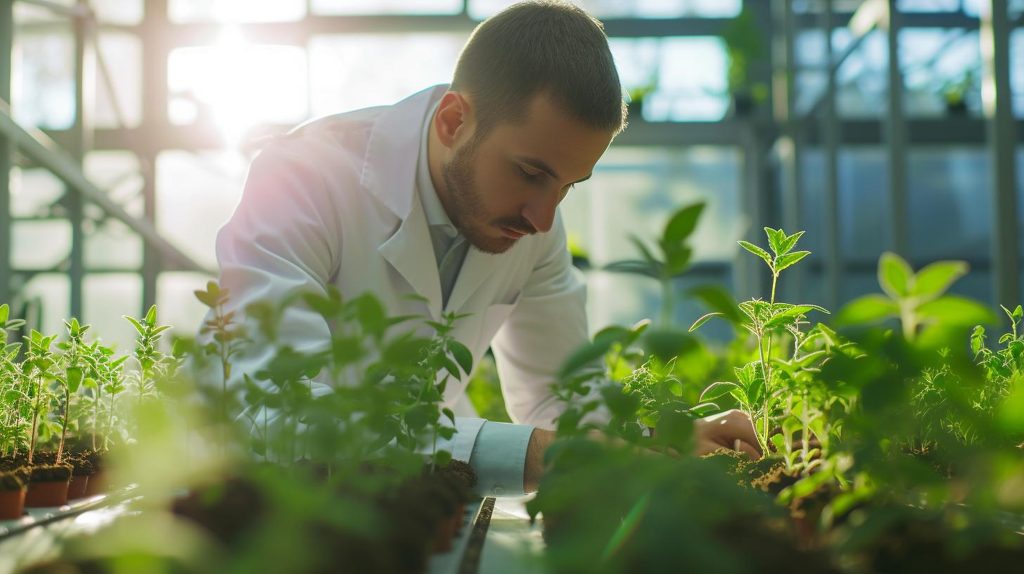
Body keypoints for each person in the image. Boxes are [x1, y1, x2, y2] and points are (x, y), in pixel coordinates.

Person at [213, 0, 760, 496]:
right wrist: (543, 456)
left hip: (418, 507)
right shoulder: (304, 178)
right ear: (454, 121)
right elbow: (276, 410)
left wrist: (660, 439)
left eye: (568, 187)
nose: (543, 218)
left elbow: (557, 398)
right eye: (530, 173)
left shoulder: (532, 221)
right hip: (274, 515)